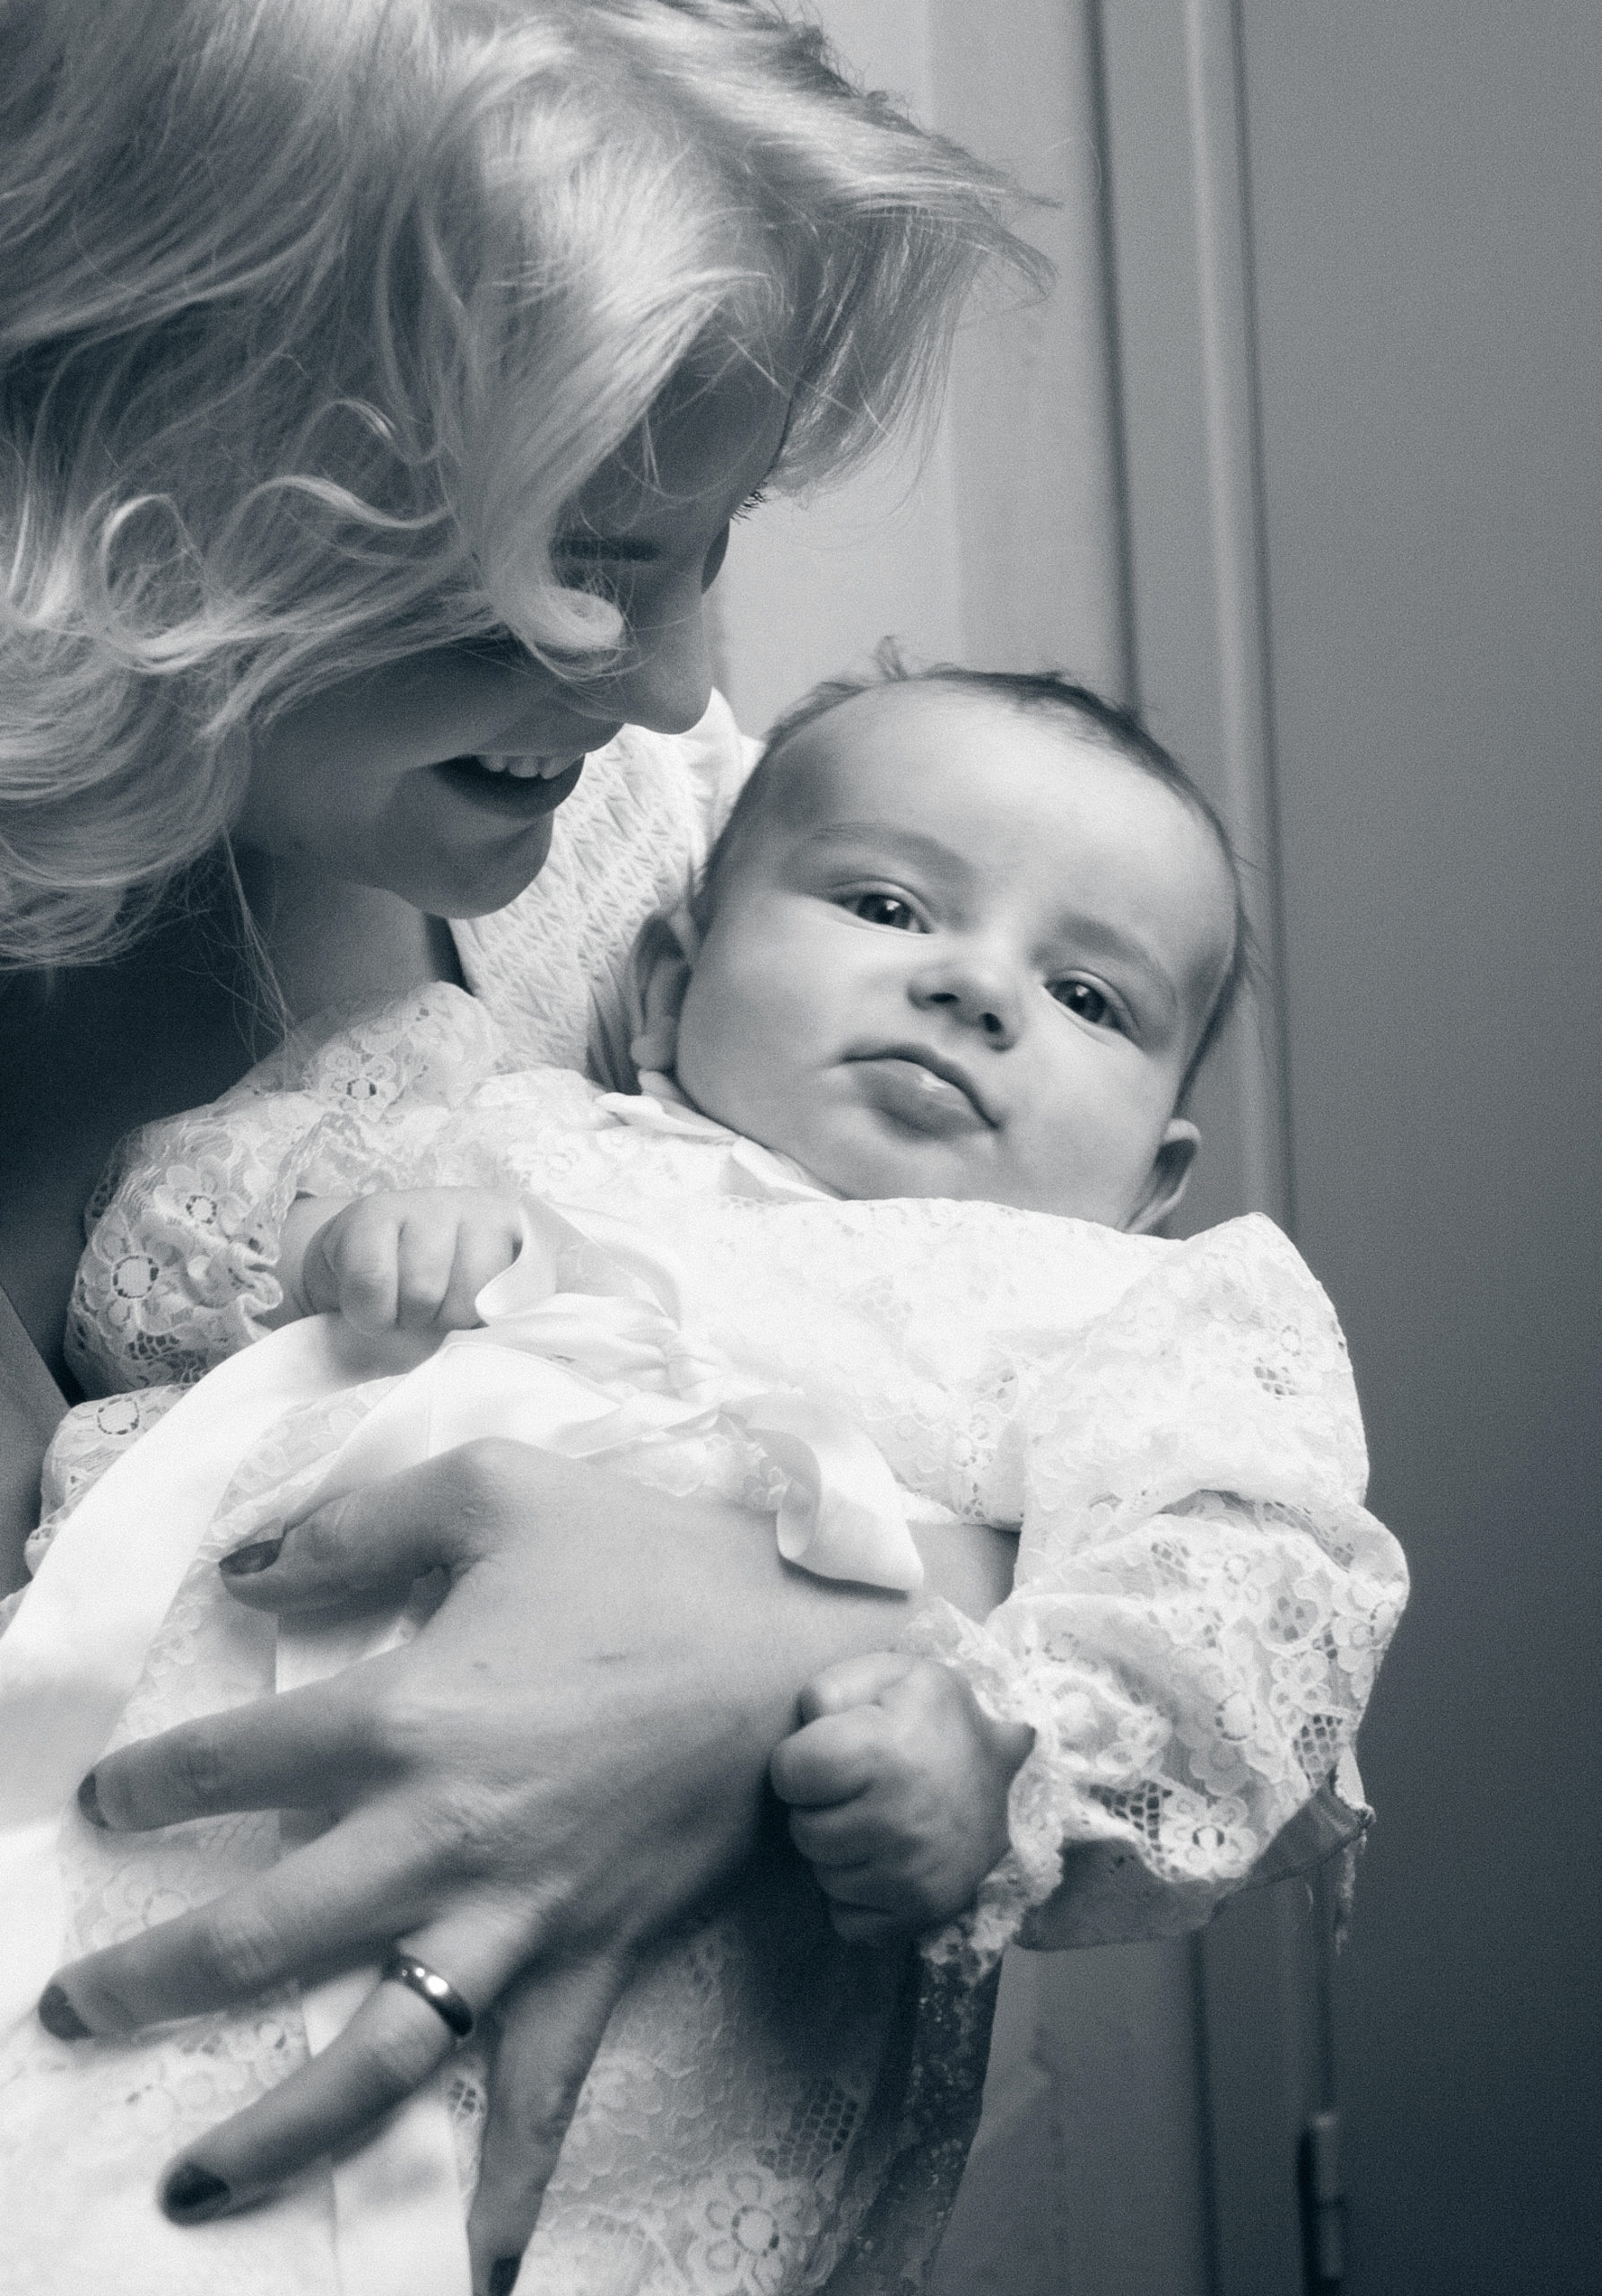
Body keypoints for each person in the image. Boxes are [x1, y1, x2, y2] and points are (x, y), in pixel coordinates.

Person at [0, 4, 1067, 2288]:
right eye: (588, 555)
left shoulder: (645, 846)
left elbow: (1078, 1382)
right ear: (151, 491)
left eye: (706, 543)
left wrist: (774, 1644)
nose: (676, 679)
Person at [4, 662, 1406, 2293]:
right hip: (166, 1797)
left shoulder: (1114, 1317)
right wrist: (348, 1243)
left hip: (640, 2032)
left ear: (1154, 1178)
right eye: (887, 906)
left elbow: (1255, 1592)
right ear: (667, 983)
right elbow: (155, 1269)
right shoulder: (496, 1117)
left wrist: (1000, 1742)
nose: (974, 989)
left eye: (1090, 997)